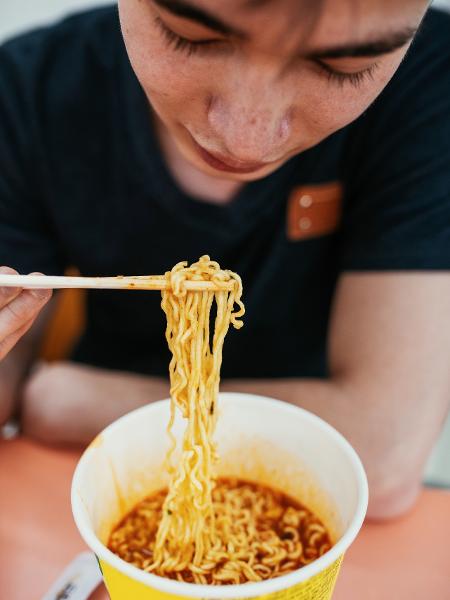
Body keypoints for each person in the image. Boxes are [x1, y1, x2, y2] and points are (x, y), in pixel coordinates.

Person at [0, 0, 449, 519]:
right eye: (190, 35)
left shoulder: (431, 87)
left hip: (332, 506)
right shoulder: (29, 92)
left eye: (343, 67)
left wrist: (70, 402)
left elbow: (384, 458)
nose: (246, 139)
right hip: (91, 484)